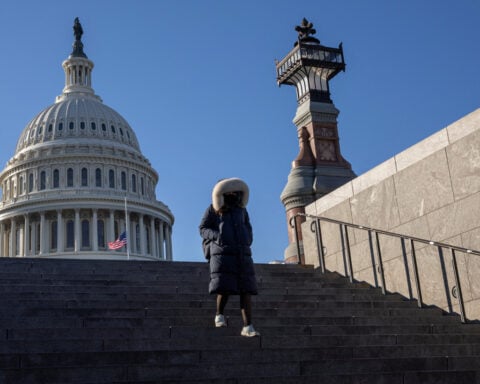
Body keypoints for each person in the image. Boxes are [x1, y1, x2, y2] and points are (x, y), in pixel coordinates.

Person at [199, 178, 260, 337]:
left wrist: (248, 238)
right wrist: (217, 236)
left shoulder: (242, 209)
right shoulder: (213, 208)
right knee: (225, 287)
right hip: (223, 253)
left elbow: (247, 226)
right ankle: (219, 314)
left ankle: (248, 326)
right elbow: (203, 228)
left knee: (245, 290)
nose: (232, 192)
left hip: (242, 252)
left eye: (235, 190)